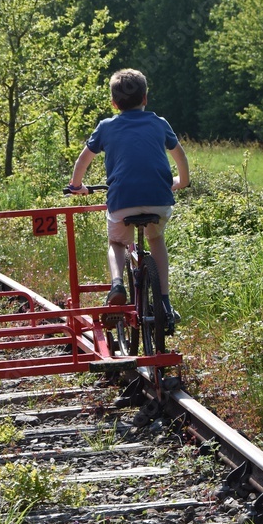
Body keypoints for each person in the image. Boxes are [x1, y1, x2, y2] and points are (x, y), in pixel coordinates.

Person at [67, 69, 189, 333]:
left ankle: (116, 284)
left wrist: (76, 186)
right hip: (159, 199)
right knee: (156, 239)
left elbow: (83, 160)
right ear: (145, 98)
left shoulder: (106, 126)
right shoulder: (159, 123)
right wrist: (181, 181)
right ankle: (165, 303)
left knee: (117, 240)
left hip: (123, 201)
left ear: (113, 103)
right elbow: (180, 156)